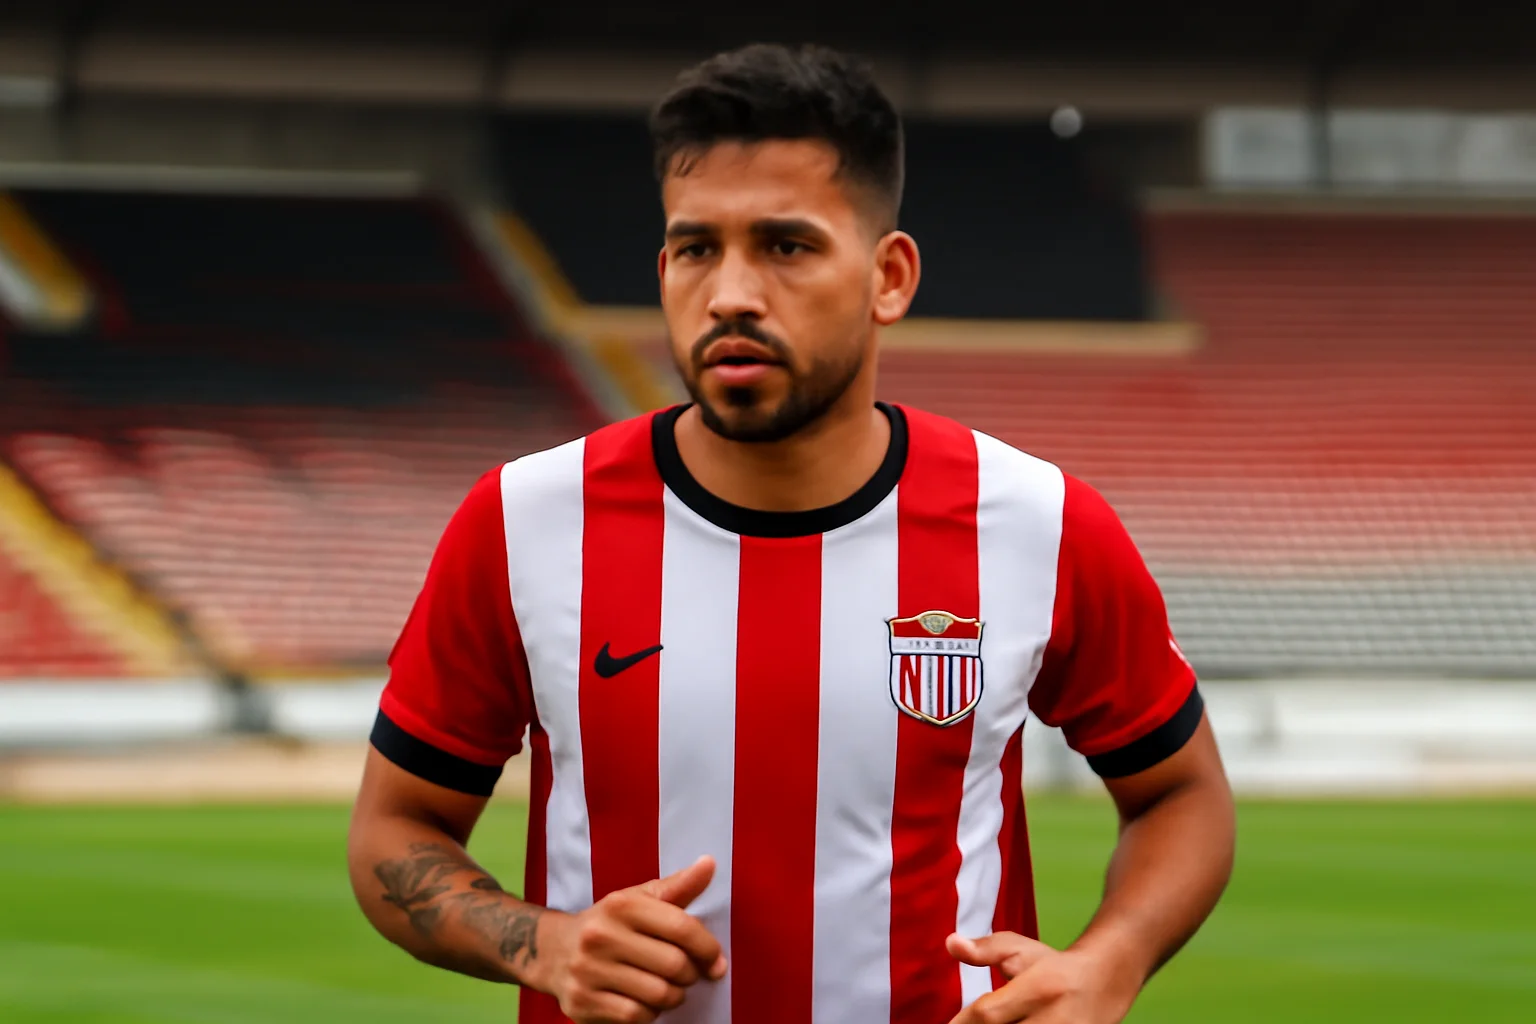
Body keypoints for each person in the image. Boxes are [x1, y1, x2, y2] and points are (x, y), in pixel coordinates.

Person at [347, 42, 1235, 1024]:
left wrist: (1111, 961)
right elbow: (395, 828)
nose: (731, 293)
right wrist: (543, 943)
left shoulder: (1038, 524)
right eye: (697, 248)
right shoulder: (523, 521)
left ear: (888, 276)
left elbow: (1182, 794)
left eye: (786, 246)